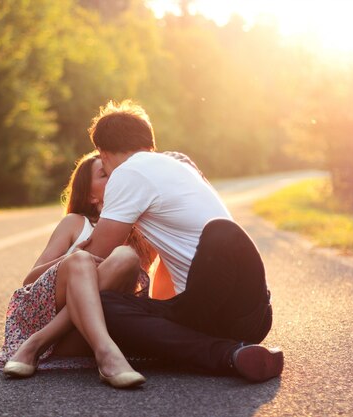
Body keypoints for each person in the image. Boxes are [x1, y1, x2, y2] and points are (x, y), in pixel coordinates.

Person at [79, 100, 284, 382]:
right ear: (149, 143)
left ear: (103, 153)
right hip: (252, 313)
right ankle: (233, 355)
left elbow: (98, 254)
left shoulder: (127, 173)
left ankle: (214, 351)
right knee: (110, 305)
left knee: (100, 305)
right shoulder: (179, 166)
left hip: (215, 306)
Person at [0, 151, 154, 388]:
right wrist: (73, 255)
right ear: (90, 195)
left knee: (126, 257)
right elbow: (30, 280)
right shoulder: (76, 223)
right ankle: (107, 356)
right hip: (59, 332)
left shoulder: (137, 231)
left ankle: (37, 342)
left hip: (92, 333)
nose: (115, 178)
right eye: (104, 175)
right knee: (80, 261)